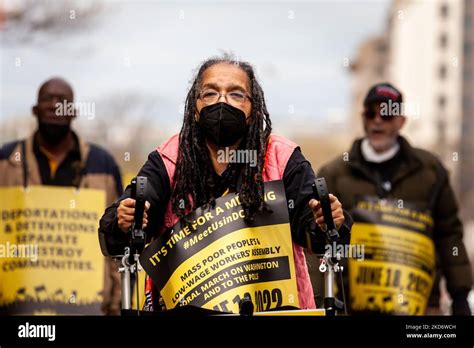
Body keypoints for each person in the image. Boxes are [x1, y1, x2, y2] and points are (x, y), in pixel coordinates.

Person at [98, 55, 352, 311]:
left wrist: (326, 221)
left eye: (236, 94)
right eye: (210, 93)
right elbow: (119, 234)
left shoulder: (283, 159)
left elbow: (315, 234)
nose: (222, 101)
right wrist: (124, 222)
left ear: (253, 111)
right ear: (194, 108)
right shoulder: (169, 160)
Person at [317, 82, 472, 315]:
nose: (378, 120)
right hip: (353, 309)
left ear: (402, 121)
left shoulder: (431, 171)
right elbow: (317, 243)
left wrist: (460, 296)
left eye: (388, 114)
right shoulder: (334, 174)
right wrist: (317, 303)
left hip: (420, 310)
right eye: (372, 112)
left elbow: (449, 235)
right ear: (363, 117)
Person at [0, 77, 123, 315]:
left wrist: (116, 304)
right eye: (48, 99)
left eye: (63, 100)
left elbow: (117, 240)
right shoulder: (5, 161)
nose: (55, 105)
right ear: (35, 109)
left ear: (74, 112)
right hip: (16, 308)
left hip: (88, 307)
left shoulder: (103, 164)